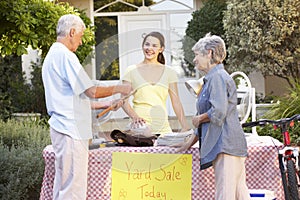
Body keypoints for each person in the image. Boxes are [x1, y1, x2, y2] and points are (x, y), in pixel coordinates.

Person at [42, 14, 131, 200]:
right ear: (72, 32)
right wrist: (120, 88)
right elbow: (91, 91)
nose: (81, 42)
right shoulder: (66, 56)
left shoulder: (53, 55)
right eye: (81, 36)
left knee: (63, 187)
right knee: (73, 190)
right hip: (70, 130)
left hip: (63, 128)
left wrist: (107, 103)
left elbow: (75, 98)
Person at [176, 33, 250, 200]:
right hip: (228, 145)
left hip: (225, 145)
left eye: (196, 55)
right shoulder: (212, 79)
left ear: (208, 53)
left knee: (226, 195)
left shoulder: (217, 77)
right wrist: (188, 144)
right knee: (239, 194)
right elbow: (208, 121)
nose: (194, 60)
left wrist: (199, 118)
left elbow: (218, 112)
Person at [121, 31, 190, 135]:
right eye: (147, 44)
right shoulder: (131, 70)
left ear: (161, 49)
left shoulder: (169, 72)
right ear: (142, 46)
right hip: (140, 127)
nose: (149, 48)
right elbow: (123, 100)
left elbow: (176, 102)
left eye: (154, 46)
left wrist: (185, 126)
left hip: (163, 127)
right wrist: (135, 117)